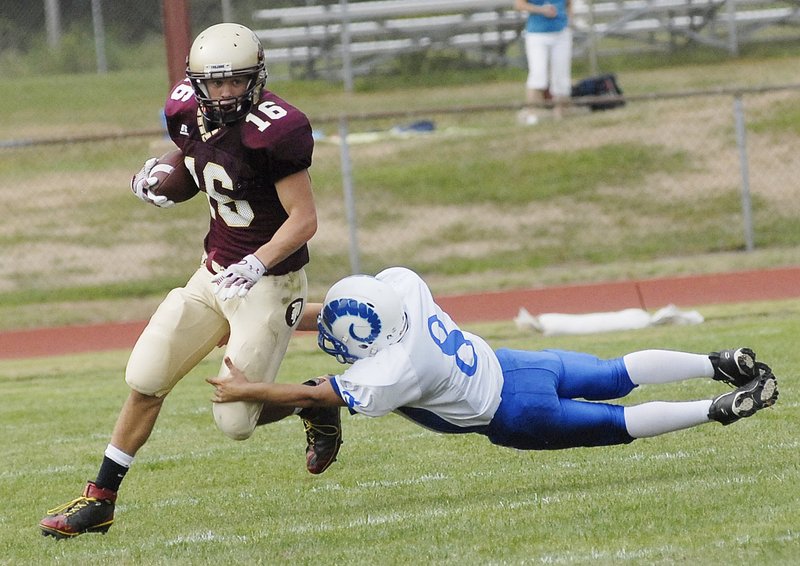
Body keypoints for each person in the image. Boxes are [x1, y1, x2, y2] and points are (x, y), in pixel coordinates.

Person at [39, 23, 342, 540]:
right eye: (215, 83)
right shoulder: (184, 108)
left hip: (270, 282)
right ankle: (100, 500)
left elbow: (303, 219)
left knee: (235, 422)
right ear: (196, 82)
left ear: (257, 78)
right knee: (146, 377)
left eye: (236, 82)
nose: (226, 92)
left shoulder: (276, 130)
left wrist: (258, 264)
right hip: (213, 272)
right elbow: (191, 149)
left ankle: (311, 399)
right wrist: (158, 171)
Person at [208, 267, 779, 457]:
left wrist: (247, 390)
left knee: (617, 423)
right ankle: (717, 362)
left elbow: (314, 394)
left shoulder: (392, 371)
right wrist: (270, 321)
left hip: (509, 413)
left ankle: (717, 409)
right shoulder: (404, 289)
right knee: (615, 372)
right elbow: (350, 314)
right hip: (517, 363)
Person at [515, 0, 573, 124]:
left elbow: (569, 3)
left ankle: (559, 113)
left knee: (561, 74)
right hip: (537, 33)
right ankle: (531, 113)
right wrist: (541, 10)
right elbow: (519, 5)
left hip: (561, 32)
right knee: (538, 74)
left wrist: (569, 20)